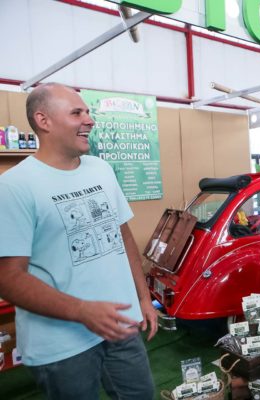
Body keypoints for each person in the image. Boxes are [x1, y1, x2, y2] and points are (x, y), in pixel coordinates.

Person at [0, 83, 157, 399]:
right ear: (44, 121)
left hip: (121, 325)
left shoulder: (101, 169)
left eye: (88, 112)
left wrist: (143, 297)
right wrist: (82, 311)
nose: (89, 120)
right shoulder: (14, 186)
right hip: (61, 346)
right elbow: (8, 278)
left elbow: (123, 235)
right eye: (77, 113)